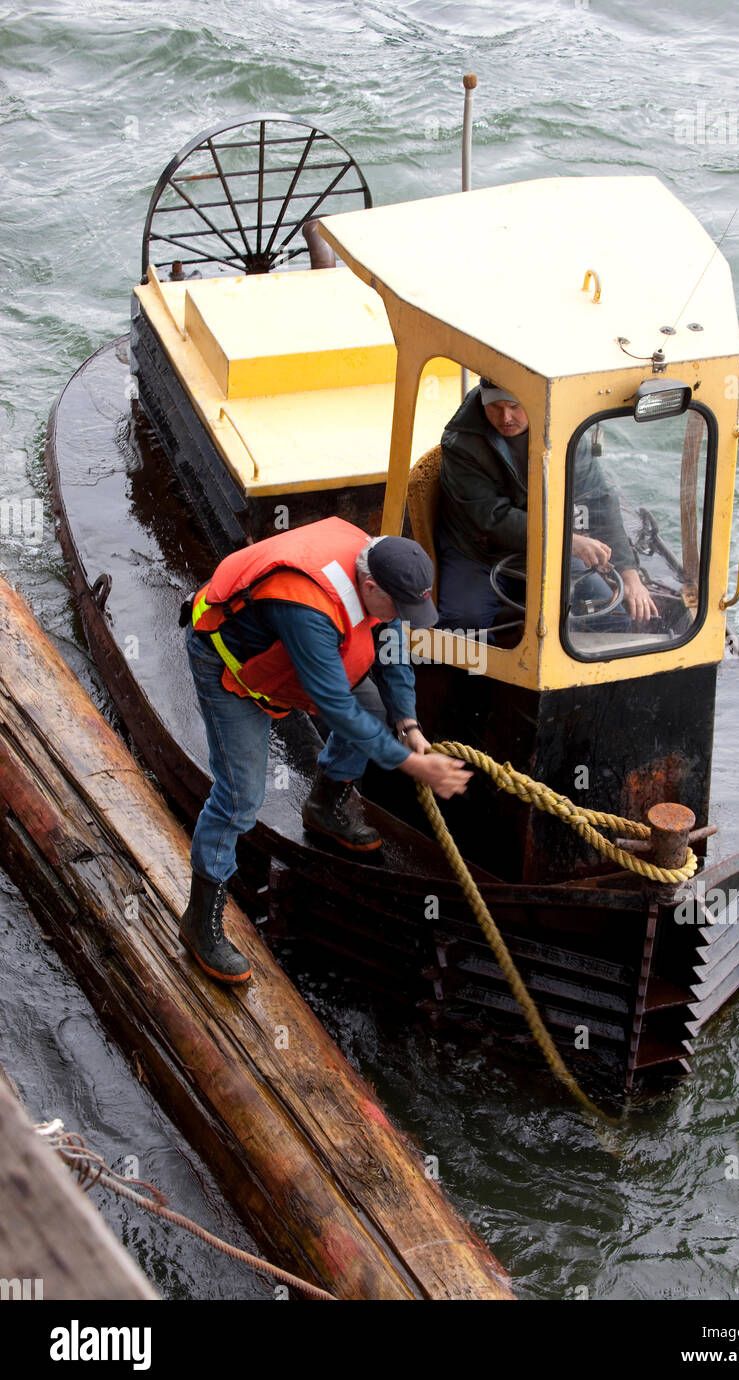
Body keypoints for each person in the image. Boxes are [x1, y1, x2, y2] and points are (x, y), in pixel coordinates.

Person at [179, 517, 471, 985]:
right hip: (230, 668)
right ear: (371, 586)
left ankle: (324, 803)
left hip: (288, 655)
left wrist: (408, 722)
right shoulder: (308, 607)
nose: (397, 617)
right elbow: (334, 706)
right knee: (240, 799)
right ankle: (199, 921)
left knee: (376, 712)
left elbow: (392, 648)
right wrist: (414, 764)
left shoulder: (379, 572)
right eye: (395, 607)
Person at [435, 379, 658, 632]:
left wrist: (629, 574)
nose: (505, 417)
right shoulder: (461, 443)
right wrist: (567, 541)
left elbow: (599, 499)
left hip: (550, 548)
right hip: (477, 553)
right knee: (463, 625)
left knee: (613, 618)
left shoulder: (566, 430)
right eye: (495, 407)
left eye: (514, 406)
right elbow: (492, 520)